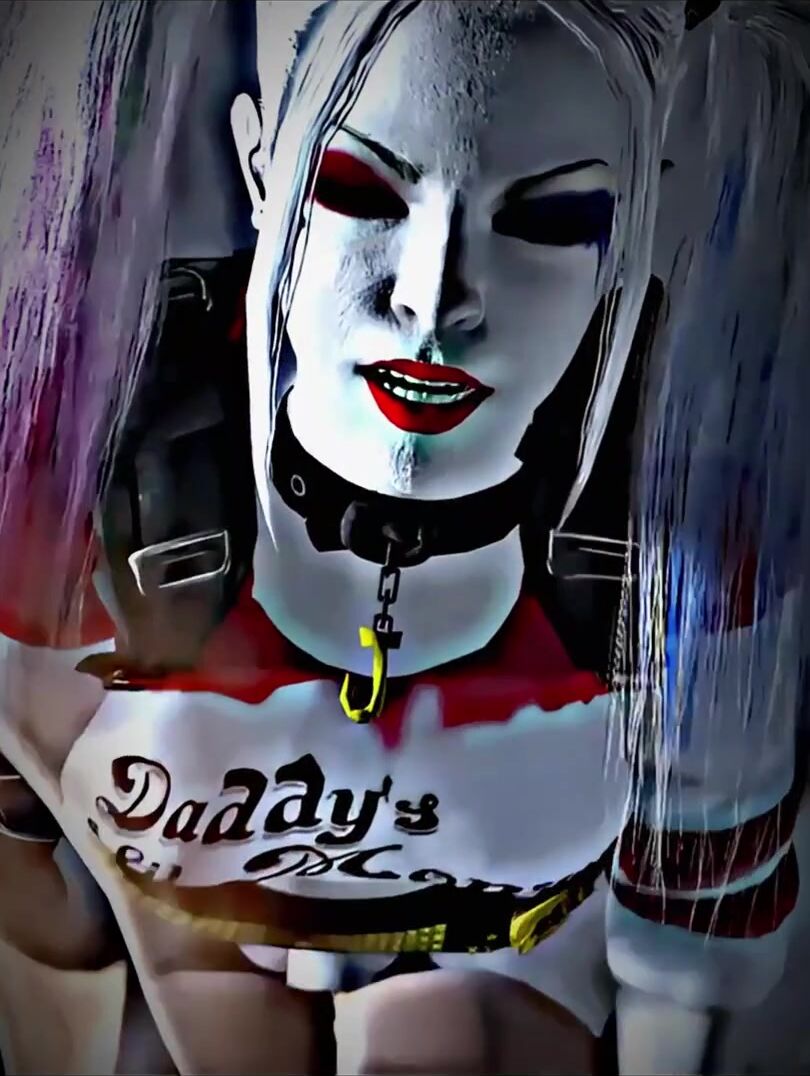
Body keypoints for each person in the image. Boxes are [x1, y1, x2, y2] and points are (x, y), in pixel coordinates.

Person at [0, 1, 808, 1073]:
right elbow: (40, 899)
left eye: (549, 218)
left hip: (509, 941)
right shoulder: (76, 462)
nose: (433, 302)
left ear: (636, 224)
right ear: (263, 167)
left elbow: (691, 944)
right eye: (362, 190)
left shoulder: (688, 540)